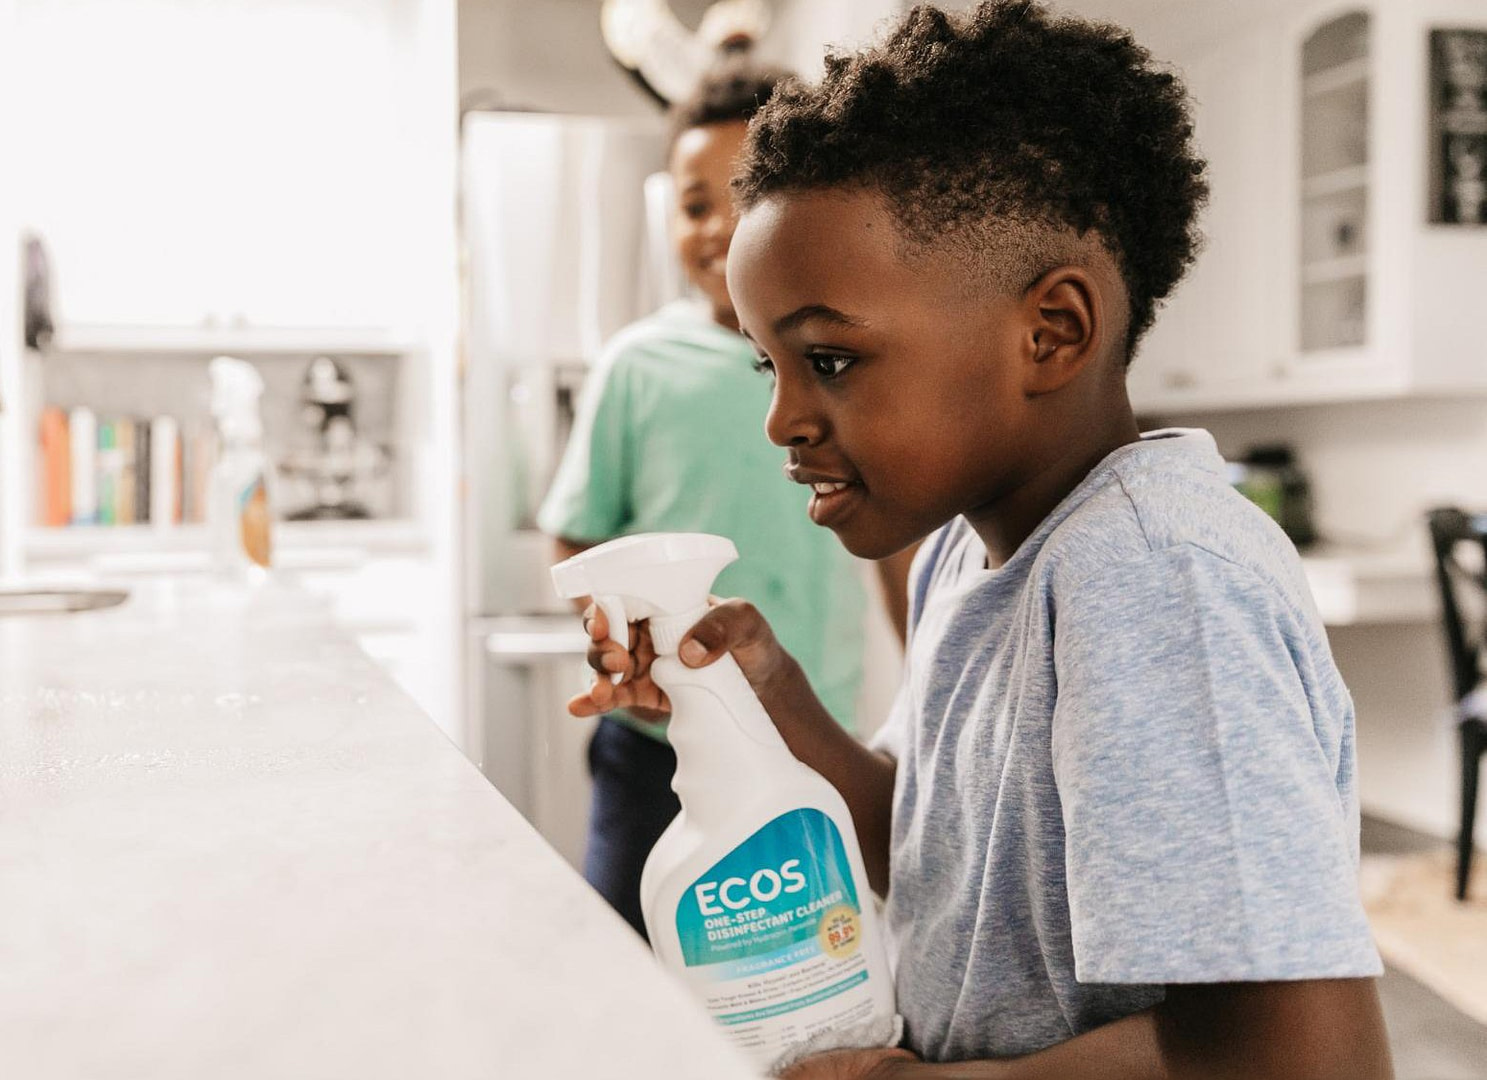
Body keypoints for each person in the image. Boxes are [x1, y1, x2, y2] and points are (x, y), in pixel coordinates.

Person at [571, 3, 1393, 1077]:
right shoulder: (975, 551)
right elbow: (923, 857)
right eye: (769, 367)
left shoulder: (1152, 580)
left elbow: (1300, 1059)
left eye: (828, 361)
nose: (781, 421)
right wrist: (765, 689)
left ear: (1050, 332)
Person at [538, 62, 908, 940]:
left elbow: (896, 547)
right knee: (632, 961)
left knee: (802, 964)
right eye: (693, 204)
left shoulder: (848, 366)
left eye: (741, 198)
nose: (714, 228)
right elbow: (575, 539)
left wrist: (924, 672)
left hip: (810, 737)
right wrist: (622, 643)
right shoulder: (638, 366)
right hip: (657, 749)